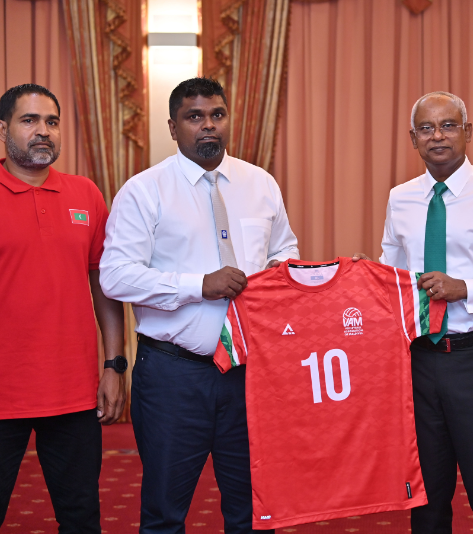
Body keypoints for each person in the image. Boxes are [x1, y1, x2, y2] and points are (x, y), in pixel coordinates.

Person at [99, 77, 299, 534]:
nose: (208, 125)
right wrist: (197, 285)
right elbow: (115, 276)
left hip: (251, 374)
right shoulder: (144, 191)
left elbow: (284, 250)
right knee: (165, 514)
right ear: (173, 128)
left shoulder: (260, 183)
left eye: (216, 115)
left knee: (253, 512)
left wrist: (284, 272)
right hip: (173, 377)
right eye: (194, 117)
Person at [354, 91, 473, 534]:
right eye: (426, 128)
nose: (437, 136)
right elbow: (396, 276)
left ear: (467, 132)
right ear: (413, 138)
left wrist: (468, 289)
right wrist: (368, 274)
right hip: (418, 362)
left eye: (448, 125)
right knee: (425, 495)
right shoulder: (400, 198)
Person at [0, 83, 126, 532]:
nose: (43, 131)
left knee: (81, 519)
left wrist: (114, 365)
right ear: (3, 130)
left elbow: (104, 285)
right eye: (29, 120)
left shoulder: (86, 194)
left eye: (52, 122)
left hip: (72, 392)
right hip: (3, 392)